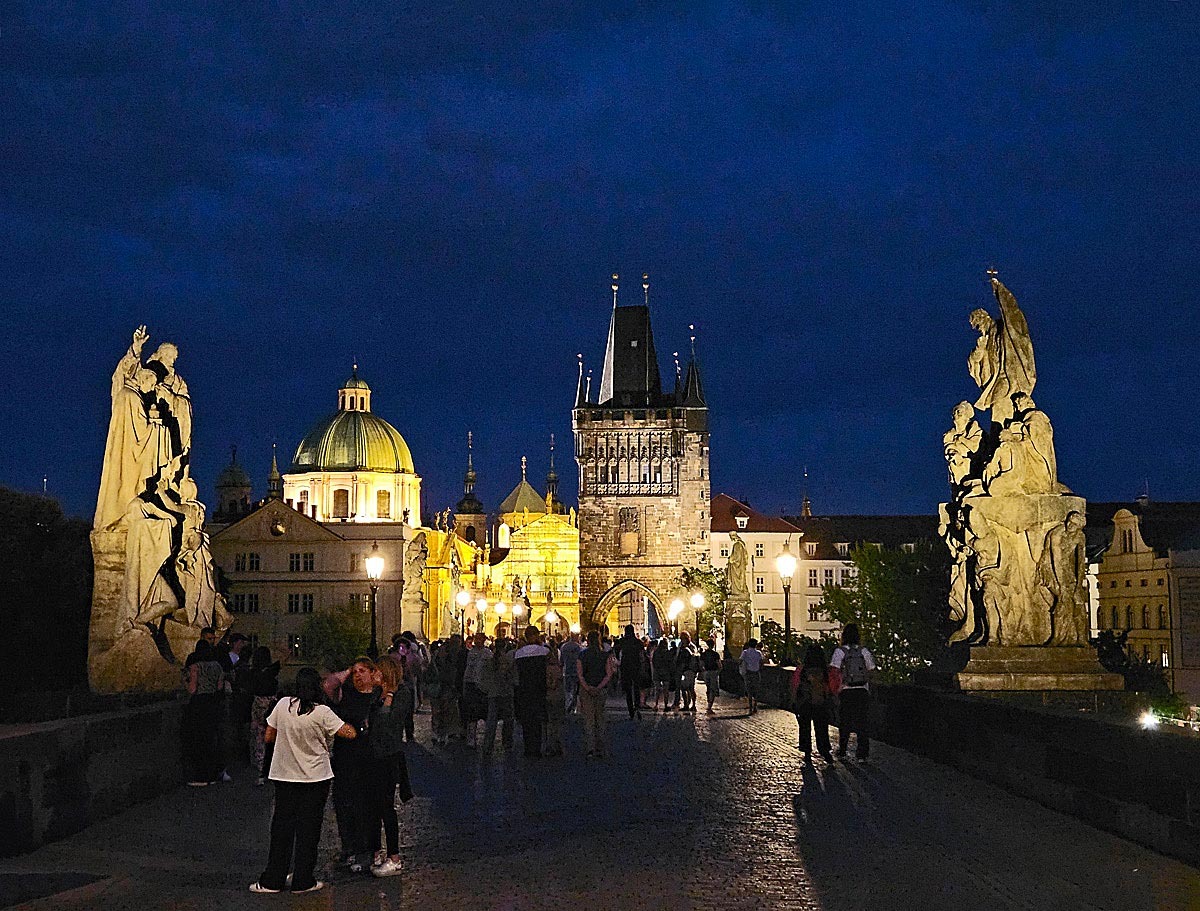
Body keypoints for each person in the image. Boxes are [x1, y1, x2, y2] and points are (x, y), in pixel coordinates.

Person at [250, 668, 356, 895]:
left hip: (284, 774)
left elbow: (269, 735)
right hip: (315, 777)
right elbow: (347, 732)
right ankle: (302, 879)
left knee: (282, 828)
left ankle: (273, 879)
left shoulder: (283, 705)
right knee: (309, 829)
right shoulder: (322, 712)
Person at [325, 658, 379, 873]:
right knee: (343, 802)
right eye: (355, 671)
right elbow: (328, 684)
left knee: (365, 803)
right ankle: (348, 846)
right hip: (345, 757)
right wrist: (347, 670)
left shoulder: (377, 697)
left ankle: (366, 849)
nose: (358, 675)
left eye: (362, 671)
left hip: (369, 757)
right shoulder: (345, 694)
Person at [365, 659, 409, 878]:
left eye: (376, 672)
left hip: (388, 755)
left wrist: (389, 697)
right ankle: (376, 851)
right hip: (373, 755)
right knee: (372, 806)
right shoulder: (375, 694)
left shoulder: (401, 694)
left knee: (386, 806)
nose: (373, 675)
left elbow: (388, 723)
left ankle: (394, 856)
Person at [183, 639, 229, 786]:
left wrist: (185, 681)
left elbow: (192, 689)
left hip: (200, 704)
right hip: (213, 703)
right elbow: (219, 687)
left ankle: (201, 776)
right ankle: (214, 773)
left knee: (199, 740)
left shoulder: (196, 667)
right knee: (212, 739)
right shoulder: (218, 667)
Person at [830, 623, 876, 760]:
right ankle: (862, 753)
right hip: (862, 690)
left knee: (845, 722)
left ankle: (842, 750)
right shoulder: (864, 651)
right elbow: (872, 669)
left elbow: (834, 671)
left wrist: (835, 690)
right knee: (862, 723)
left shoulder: (840, 652)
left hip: (846, 690)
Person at [790, 645, 834, 763]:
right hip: (820, 702)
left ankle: (807, 751)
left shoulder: (802, 669)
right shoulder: (825, 671)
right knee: (821, 727)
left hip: (805, 702)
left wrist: (794, 700)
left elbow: (795, 685)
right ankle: (824, 750)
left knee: (804, 726)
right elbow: (830, 686)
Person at [245, 646, 280, 785]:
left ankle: (260, 768)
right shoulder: (271, 671)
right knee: (272, 734)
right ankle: (273, 767)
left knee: (258, 735)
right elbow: (282, 660)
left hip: (258, 702)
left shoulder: (253, 672)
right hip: (271, 703)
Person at [514, 626, 550, 758]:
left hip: (523, 690)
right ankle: (537, 748)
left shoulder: (519, 653)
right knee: (537, 721)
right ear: (535, 636)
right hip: (539, 689)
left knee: (526, 721)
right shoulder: (544, 651)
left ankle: (528, 748)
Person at [576, 630, 612, 758]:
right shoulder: (605, 655)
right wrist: (599, 687)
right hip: (601, 690)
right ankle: (601, 748)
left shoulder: (582, 655)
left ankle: (590, 748)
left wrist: (587, 687)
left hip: (586, 691)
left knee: (589, 720)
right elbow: (608, 674)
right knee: (600, 718)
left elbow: (579, 674)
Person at [461, 633, 492, 749]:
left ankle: (487, 739)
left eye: (480, 639)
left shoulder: (488, 653)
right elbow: (467, 669)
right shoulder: (470, 653)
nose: (478, 641)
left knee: (485, 713)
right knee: (471, 713)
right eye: (476, 639)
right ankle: (471, 738)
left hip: (483, 686)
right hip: (471, 685)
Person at [617, 625, 645, 720]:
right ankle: (637, 706)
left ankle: (631, 712)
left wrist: (618, 662)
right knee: (636, 687)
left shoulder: (623, 641)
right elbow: (642, 656)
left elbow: (616, 651)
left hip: (625, 667)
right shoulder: (638, 642)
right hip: (636, 666)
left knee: (628, 691)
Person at [543, 642, 565, 756]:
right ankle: (556, 744)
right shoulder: (557, 668)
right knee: (556, 722)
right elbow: (556, 683)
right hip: (557, 697)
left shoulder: (544, 669)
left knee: (548, 723)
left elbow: (549, 684)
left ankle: (549, 745)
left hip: (547, 697)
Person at [559, 631, 583, 714]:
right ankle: (573, 705)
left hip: (567, 671)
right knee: (575, 690)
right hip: (576, 671)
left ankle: (569, 704)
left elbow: (561, 660)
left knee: (568, 689)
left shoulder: (564, 646)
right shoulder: (578, 647)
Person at [739, 638, 764, 715]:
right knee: (756, 690)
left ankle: (750, 707)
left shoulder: (745, 652)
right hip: (756, 673)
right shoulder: (758, 653)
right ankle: (755, 705)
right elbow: (761, 662)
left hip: (748, 673)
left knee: (749, 690)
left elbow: (740, 661)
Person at [675, 632, 699, 712]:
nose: (682, 640)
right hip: (683, 670)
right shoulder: (681, 646)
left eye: (682, 638)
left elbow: (694, 657)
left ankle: (692, 705)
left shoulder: (691, 647)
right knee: (684, 688)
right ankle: (686, 704)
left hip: (689, 670)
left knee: (690, 688)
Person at [700, 638, 722, 713]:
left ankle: (708, 701)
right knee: (713, 689)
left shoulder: (704, 654)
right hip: (713, 672)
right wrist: (718, 672)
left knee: (708, 688)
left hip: (706, 672)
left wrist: (703, 671)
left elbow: (701, 664)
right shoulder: (715, 654)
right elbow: (719, 665)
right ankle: (710, 705)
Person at [651, 638, 673, 712]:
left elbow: (653, 662)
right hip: (665, 673)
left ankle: (656, 704)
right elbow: (670, 663)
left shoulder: (656, 652)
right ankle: (666, 705)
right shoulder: (668, 653)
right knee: (665, 690)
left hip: (657, 672)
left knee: (657, 689)